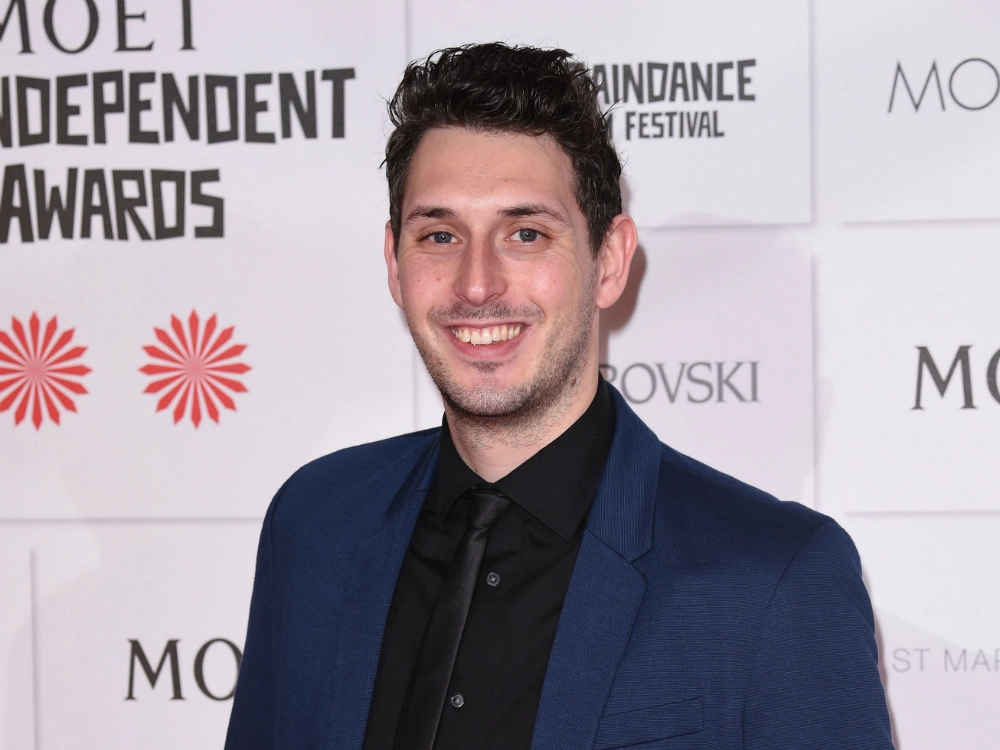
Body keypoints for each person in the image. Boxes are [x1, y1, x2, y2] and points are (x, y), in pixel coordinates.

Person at [225, 43, 894, 750]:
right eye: (441, 235)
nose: (476, 284)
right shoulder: (316, 523)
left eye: (526, 234)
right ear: (395, 263)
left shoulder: (774, 578)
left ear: (609, 261)